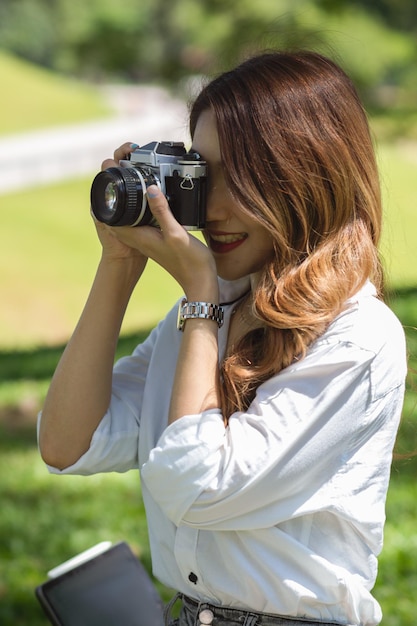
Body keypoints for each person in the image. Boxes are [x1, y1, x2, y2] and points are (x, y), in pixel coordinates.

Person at [38, 50, 407, 626]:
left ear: (306, 176)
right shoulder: (212, 311)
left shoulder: (358, 337)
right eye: (202, 175)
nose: (210, 208)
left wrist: (201, 298)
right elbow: (67, 442)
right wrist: (119, 262)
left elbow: (199, 486)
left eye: (242, 176)